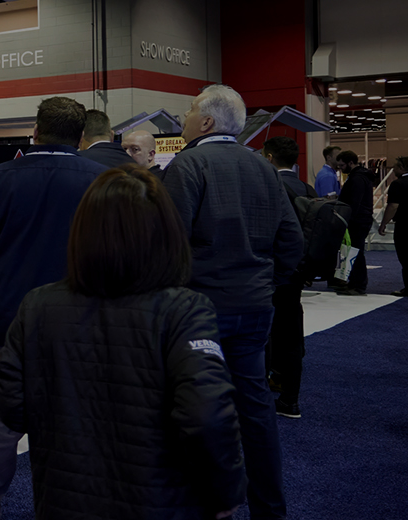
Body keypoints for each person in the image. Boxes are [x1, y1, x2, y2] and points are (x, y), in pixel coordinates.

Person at [0, 164, 247, 520]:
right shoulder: (184, 310)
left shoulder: (38, 304)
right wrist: (227, 493)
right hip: (166, 502)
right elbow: (208, 416)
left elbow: (10, 402)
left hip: (63, 500)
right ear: (166, 233)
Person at [0, 97, 106, 520]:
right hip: (80, 329)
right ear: (82, 136)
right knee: (74, 426)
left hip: (2, 324)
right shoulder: (105, 180)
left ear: (35, 131)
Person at [159, 84, 303, 520]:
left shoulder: (188, 164)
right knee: (255, 409)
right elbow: (292, 242)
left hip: (198, 310)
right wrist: (264, 282)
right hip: (255, 306)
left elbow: (169, 244)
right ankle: (269, 510)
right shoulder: (262, 168)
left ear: (206, 122)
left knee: (188, 409)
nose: (182, 118)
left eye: (188, 111)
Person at [262, 137, 312, 419]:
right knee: (292, 336)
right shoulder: (306, 187)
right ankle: (290, 399)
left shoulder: (271, 187)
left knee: (266, 334)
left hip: (274, 272)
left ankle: (266, 388)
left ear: (269, 157)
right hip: (298, 273)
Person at [335, 150, 377, 296]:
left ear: (350, 163)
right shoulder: (361, 176)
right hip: (360, 219)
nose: (340, 169)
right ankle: (355, 283)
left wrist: (346, 218)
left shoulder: (357, 178)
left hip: (357, 221)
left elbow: (354, 202)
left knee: (355, 253)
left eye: (342, 166)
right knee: (353, 252)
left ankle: (358, 285)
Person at [378, 156, 408, 297]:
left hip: (406, 225)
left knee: (406, 257)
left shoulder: (398, 184)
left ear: (402, 168)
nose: (393, 169)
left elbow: (393, 206)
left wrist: (383, 223)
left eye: (396, 167)